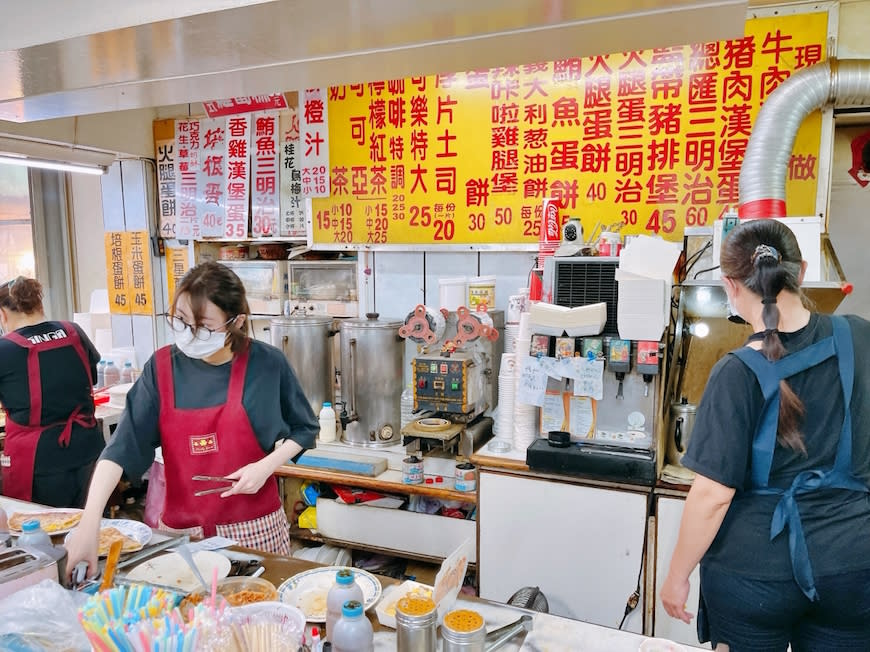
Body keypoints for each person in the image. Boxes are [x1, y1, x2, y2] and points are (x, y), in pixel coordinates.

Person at [660, 219, 870, 650]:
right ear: (802, 270)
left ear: (730, 285)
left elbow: (712, 495)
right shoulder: (860, 336)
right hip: (852, 563)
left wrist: (678, 575)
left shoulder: (736, 371)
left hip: (753, 574)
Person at [65, 262, 318, 578]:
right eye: (181, 320)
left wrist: (264, 467)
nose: (189, 334)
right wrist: (90, 523)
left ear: (235, 321)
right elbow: (121, 449)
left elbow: (305, 428)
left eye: (203, 327)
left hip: (256, 531)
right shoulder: (161, 369)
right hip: (182, 533)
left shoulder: (267, 364)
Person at [0, 276, 102, 507]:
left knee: (44, 537)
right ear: (39, 305)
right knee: (96, 530)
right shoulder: (73, 331)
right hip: (89, 449)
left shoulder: (4, 349)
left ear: (3, 314)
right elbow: (91, 377)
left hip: (41, 461)